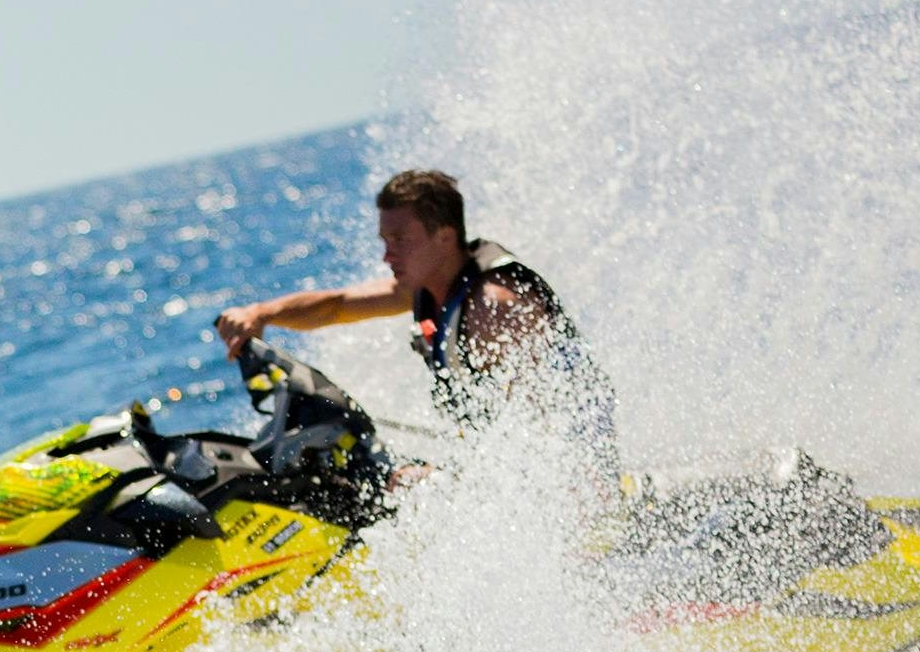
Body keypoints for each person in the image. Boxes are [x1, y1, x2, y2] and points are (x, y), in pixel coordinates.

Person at [213, 168, 619, 471]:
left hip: (576, 480)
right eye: (384, 242)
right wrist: (260, 314)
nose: (387, 256)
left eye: (400, 241)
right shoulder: (428, 288)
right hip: (513, 468)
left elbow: (548, 427)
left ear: (444, 236)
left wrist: (443, 479)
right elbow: (336, 305)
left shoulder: (495, 310)